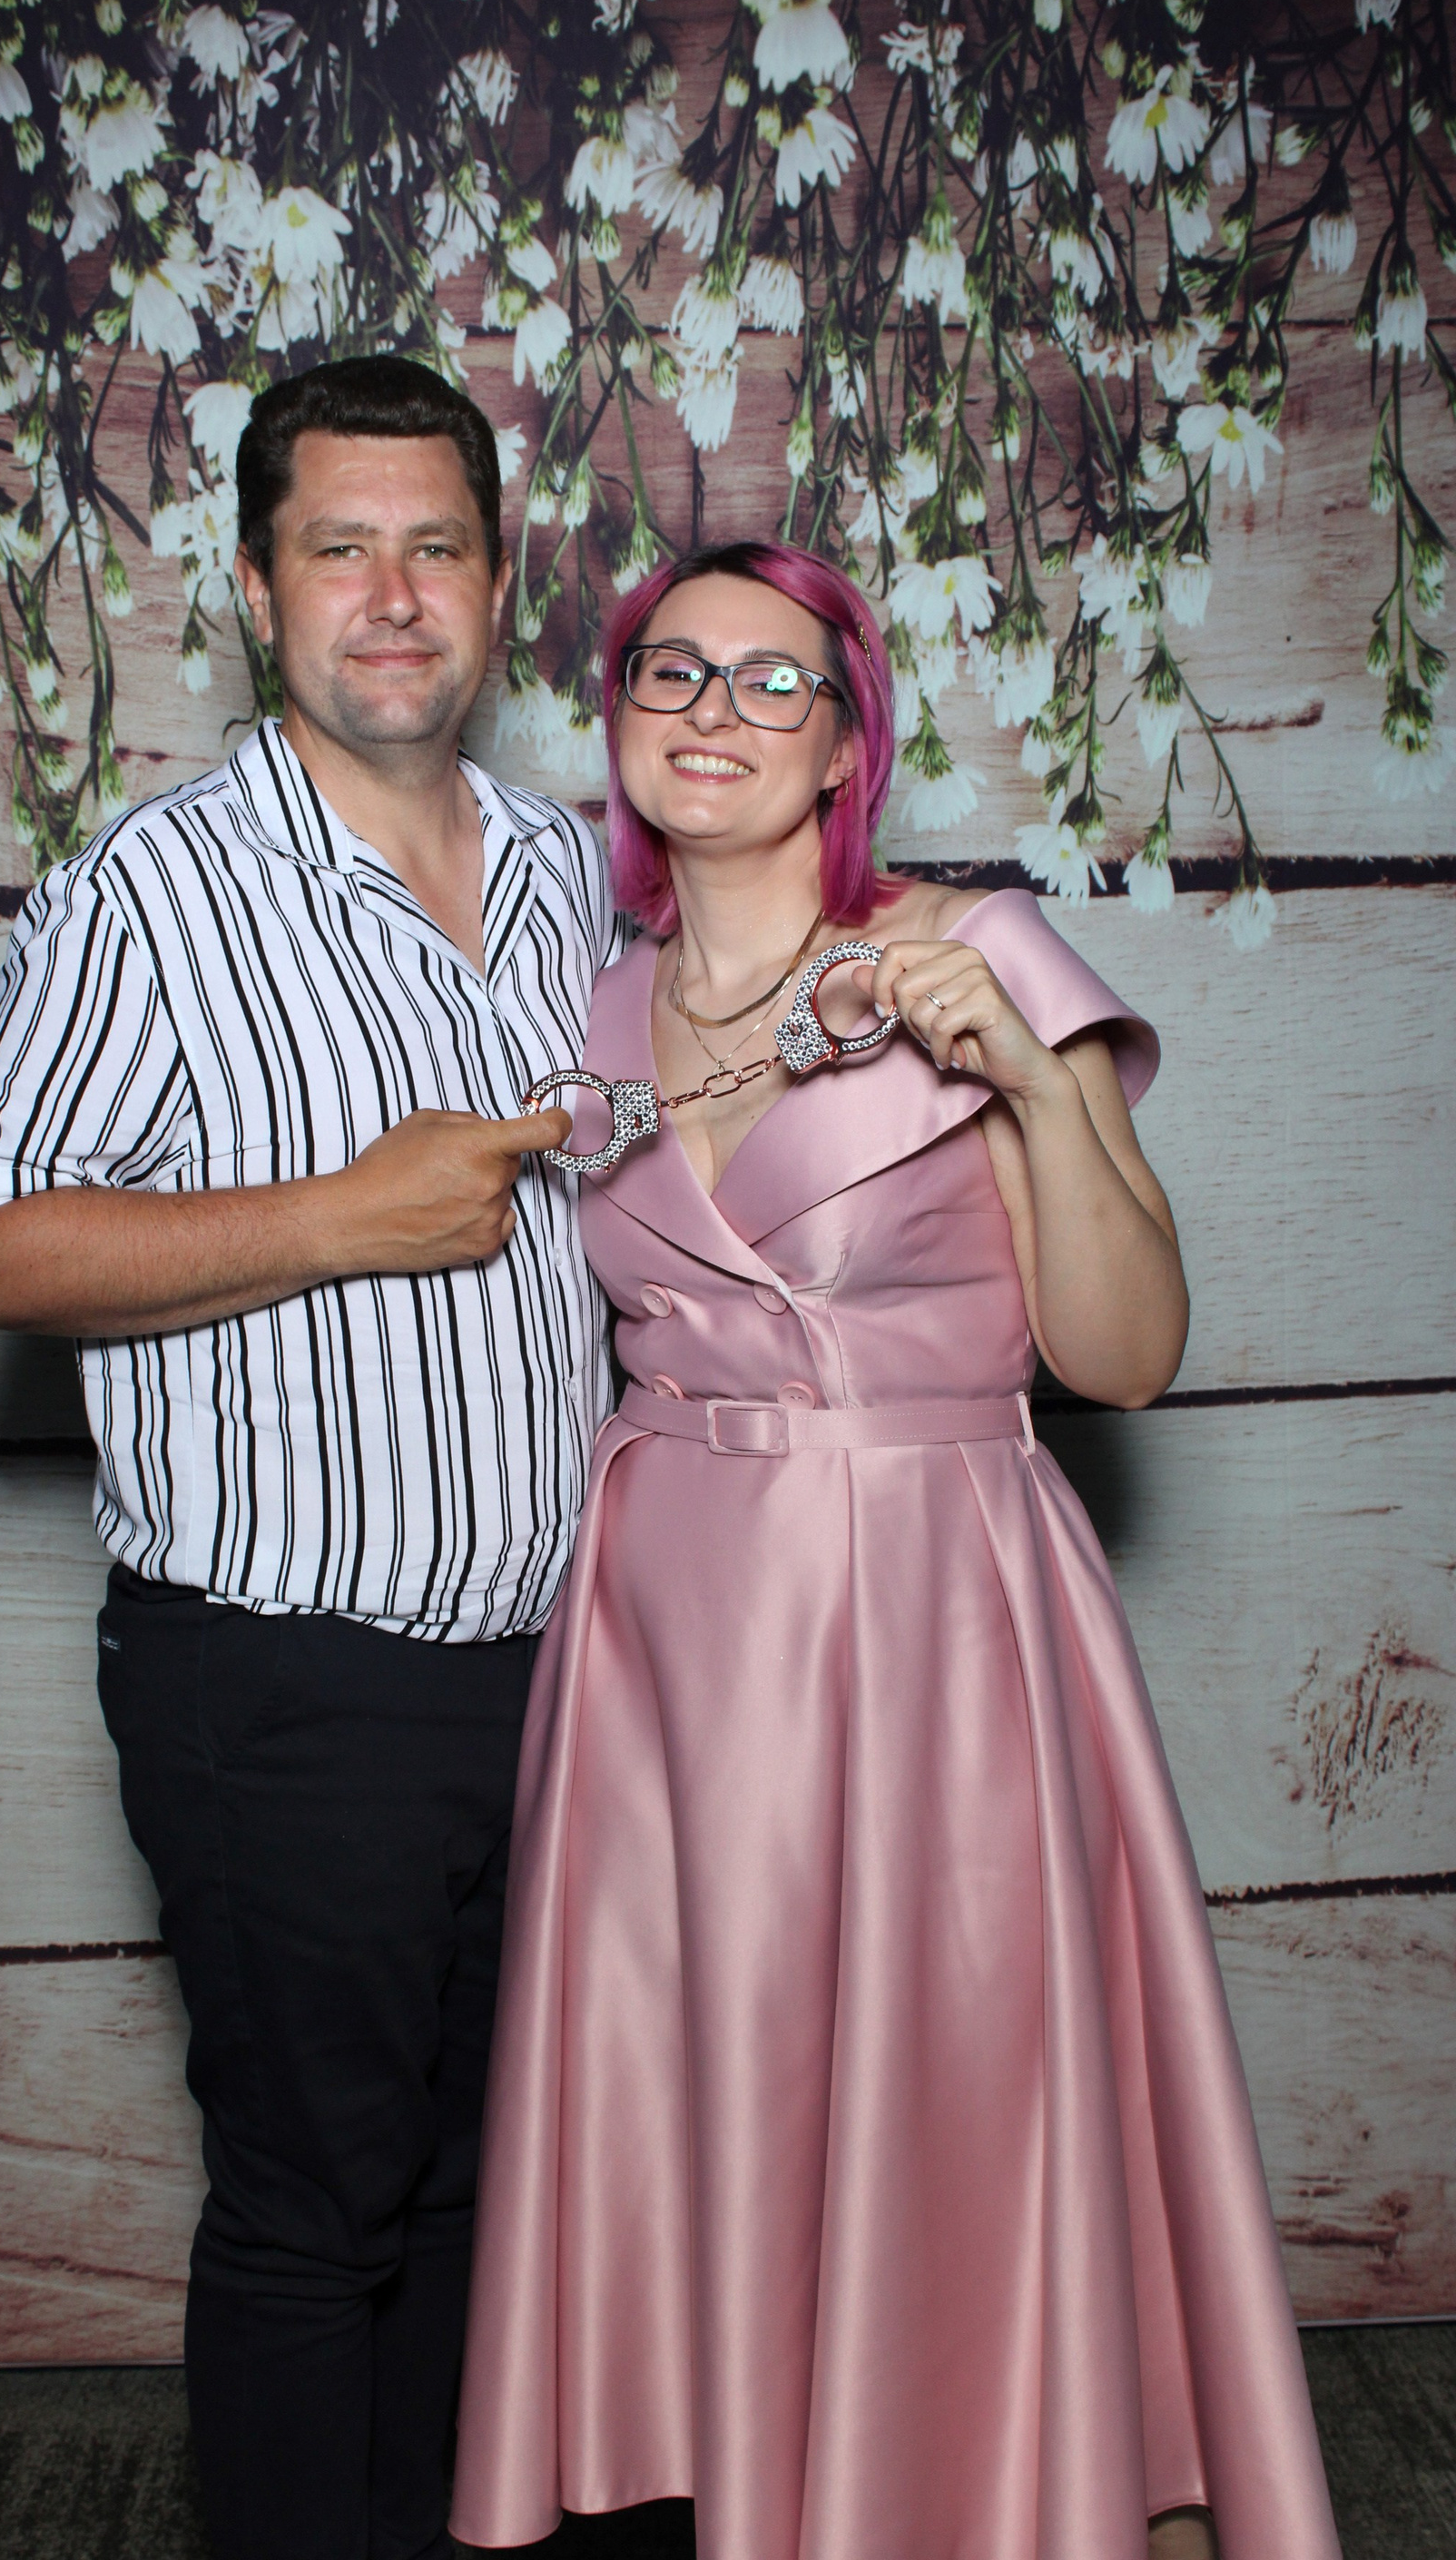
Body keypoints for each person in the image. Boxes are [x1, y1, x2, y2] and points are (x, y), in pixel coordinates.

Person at [449, 541, 1342, 2560]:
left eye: (776, 681)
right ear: (616, 719)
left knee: (951, 2090)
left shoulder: (979, 952)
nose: (715, 711)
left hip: (932, 1611)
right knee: (715, 2096)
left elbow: (1126, 1356)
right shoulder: (588, 1010)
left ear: (850, 743)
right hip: (666, 1636)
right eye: (672, 671)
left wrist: (1027, 1078)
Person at [0, 355, 619, 2560]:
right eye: (339, 548)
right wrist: (339, 1214)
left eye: (436, 548)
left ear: (501, 578)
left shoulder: (571, 872)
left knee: (485, 2197)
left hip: (558, 1669)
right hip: (290, 1674)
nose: (392, 597)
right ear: (251, 584)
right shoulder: (151, 892)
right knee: (319, 2216)